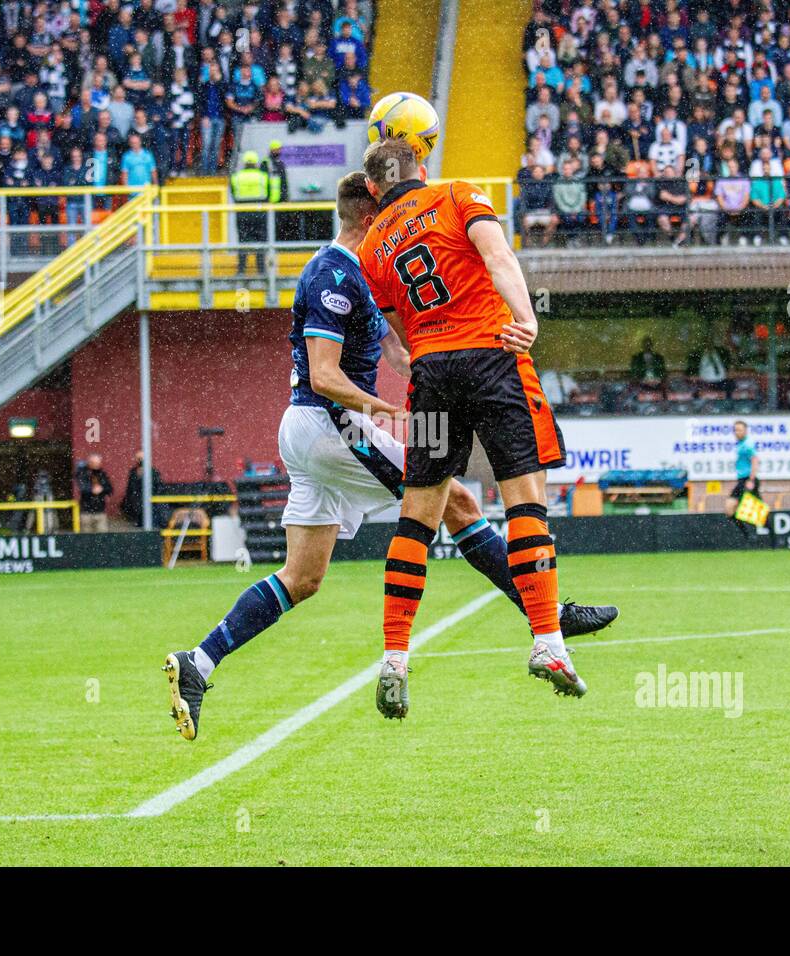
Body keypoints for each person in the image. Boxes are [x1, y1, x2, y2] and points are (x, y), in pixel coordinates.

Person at [161, 172, 617, 741]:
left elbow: (402, 353)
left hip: (314, 431)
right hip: (332, 422)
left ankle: (198, 664)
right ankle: (547, 618)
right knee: (457, 502)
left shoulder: (371, 270)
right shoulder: (332, 271)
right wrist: (390, 413)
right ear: (372, 215)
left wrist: (430, 374)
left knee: (302, 578)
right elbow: (326, 376)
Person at [356, 139, 589, 717]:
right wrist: (526, 318)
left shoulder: (372, 247)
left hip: (433, 370)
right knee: (525, 503)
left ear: (373, 188)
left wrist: (429, 357)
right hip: (492, 354)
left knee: (417, 517)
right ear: (422, 169)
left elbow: (397, 336)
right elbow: (498, 258)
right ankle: (548, 643)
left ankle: (394, 657)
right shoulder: (457, 195)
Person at [230, 149, 269, 273]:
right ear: (256, 163)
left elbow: (234, 194)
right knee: (261, 241)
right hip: (259, 212)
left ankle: (241, 269)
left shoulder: (236, 177)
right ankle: (261, 269)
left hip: (242, 212)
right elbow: (268, 194)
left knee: (243, 241)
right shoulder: (263, 176)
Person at [724, 419, 760, 530]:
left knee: (754, 511)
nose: (736, 432)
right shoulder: (740, 444)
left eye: (739, 430)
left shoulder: (747, 444)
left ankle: (771, 539)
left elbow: (755, 460)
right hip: (742, 480)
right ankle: (747, 534)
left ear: (745, 431)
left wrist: (751, 480)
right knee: (729, 509)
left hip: (748, 480)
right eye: (735, 430)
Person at [75, 454, 113, 532]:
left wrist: (102, 489)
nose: (97, 465)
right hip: (86, 511)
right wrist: (92, 490)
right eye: (94, 463)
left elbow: (109, 488)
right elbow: (82, 488)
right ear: (89, 463)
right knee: (87, 535)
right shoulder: (83, 473)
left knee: (103, 534)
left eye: (98, 463)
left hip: (100, 510)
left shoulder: (102, 474)